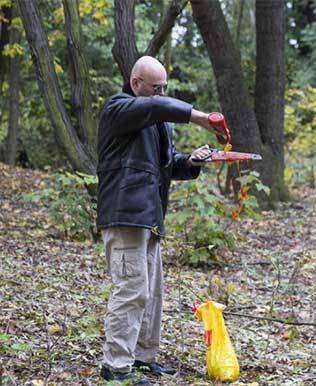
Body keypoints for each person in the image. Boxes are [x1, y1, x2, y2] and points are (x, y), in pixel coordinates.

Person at [97, 56, 226, 383]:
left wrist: (192, 161)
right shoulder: (118, 109)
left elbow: (167, 166)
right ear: (135, 83)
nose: (160, 94)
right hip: (125, 215)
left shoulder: (158, 122)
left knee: (151, 293)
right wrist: (200, 117)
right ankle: (116, 366)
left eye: (164, 88)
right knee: (131, 290)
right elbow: (155, 108)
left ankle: (141, 357)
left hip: (150, 217)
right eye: (155, 88)